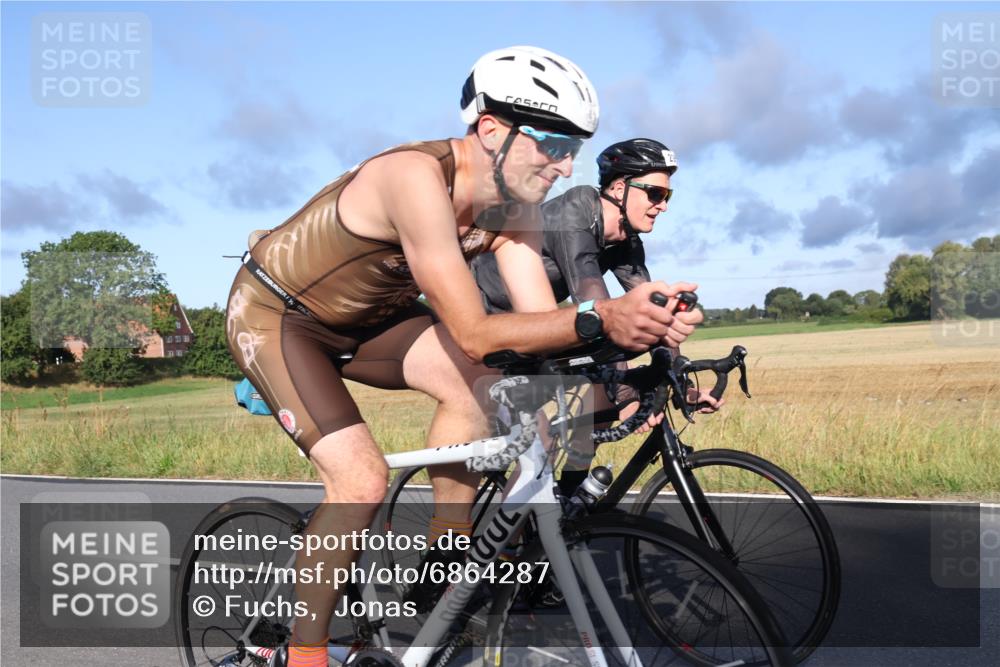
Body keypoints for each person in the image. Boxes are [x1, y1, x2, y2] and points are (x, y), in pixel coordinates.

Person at [224, 46, 703, 666]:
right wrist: (603, 317)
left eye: (573, 149)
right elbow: (478, 330)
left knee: (484, 383)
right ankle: (304, 654)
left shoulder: (514, 210)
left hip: (372, 320)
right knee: (362, 479)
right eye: (553, 143)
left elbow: (538, 328)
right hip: (279, 317)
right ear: (491, 130)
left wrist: (638, 338)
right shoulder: (414, 178)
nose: (564, 165)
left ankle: (447, 553)